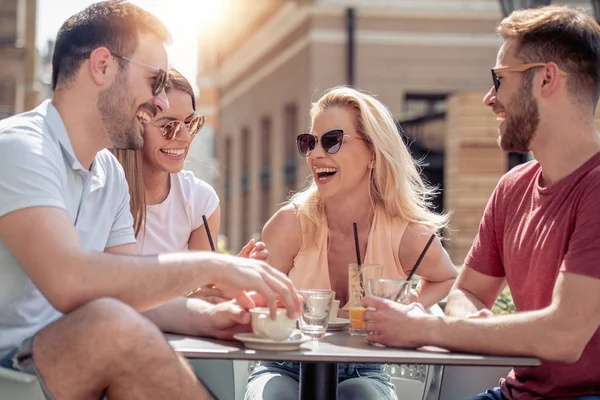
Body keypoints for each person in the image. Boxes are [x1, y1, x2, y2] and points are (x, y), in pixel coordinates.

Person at [0, 3, 301, 400]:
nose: (160, 102)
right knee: (113, 324)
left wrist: (212, 319)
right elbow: (71, 283)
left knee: (119, 326)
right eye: (154, 81)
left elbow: (129, 291)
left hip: (66, 358)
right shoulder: (21, 147)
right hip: (12, 368)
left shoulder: (108, 174)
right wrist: (213, 264)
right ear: (103, 66)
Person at [361, 5, 600, 400]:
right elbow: (467, 292)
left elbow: (564, 335)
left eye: (499, 79)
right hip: (515, 393)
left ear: (547, 78)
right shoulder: (513, 188)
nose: (490, 98)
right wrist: (471, 325)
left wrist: (427, 328)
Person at [245, 86, 458, 400]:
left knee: (360, 395)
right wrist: (249, 283)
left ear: (373, 153)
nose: (316, 154)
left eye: (332, 140)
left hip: (366, 369)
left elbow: (445, 277)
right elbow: (259, 304)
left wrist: (409, 308)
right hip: (285, 363)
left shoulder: (408, 235)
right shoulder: (289, 225)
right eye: (310, 142)